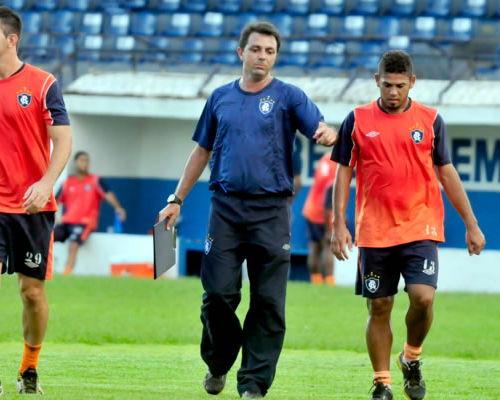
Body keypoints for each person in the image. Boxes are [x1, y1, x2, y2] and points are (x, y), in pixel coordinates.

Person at [159, 21, 338, 399]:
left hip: (272, 212)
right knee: (218, 295)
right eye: (256, 49)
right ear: (241, 53)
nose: (263, 57)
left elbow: (320, 127)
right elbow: (201, 151)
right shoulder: (220, 98)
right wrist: (176, 200)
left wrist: (329, 133)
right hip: (224, 209)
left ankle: (253, 384)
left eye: (270, 51)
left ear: (276, 57)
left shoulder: (289, 96)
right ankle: (219, 362)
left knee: (269, 302)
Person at [330, 50, 485, 400]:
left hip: (420, 225)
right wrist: (338, 223)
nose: (394, 92)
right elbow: (343, 170)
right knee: (379, 305)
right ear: (376, 81)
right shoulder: (356, 120)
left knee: (423, 297)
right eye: (387, 85)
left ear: (412, 82)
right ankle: (382, 382)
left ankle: (411, 358)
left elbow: (447, 172)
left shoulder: (431, 120)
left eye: (401, 85)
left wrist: (471, 224)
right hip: (373, 230)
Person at [0, 5, 72, 396]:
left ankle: (29, 368)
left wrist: (46, 183)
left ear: (11, 39)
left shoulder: (43, 84)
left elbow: (64, 141)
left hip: (32, 206)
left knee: (31, 293)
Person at [54, 151, 127, 275]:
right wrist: (57, 218)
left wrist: (118, 207)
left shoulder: (95, 180)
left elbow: (108, 194)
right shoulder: (67, 183)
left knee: (73, 244)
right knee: (47, 238)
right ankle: (43, 269)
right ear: (75, 163)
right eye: (82, 160)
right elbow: (54, 202)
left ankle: (66, 273)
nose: (85, 163)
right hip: (67, 221)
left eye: (87, 160)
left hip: (85, 222)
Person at [301, 151, 337, 285]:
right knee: (328, 246)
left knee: (314, 246)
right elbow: (329, 200)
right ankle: (329, 281)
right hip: (323, 212)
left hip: (310, 208)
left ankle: (315, 280)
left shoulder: (327, 157)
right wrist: (329, 228)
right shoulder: (338, 164)